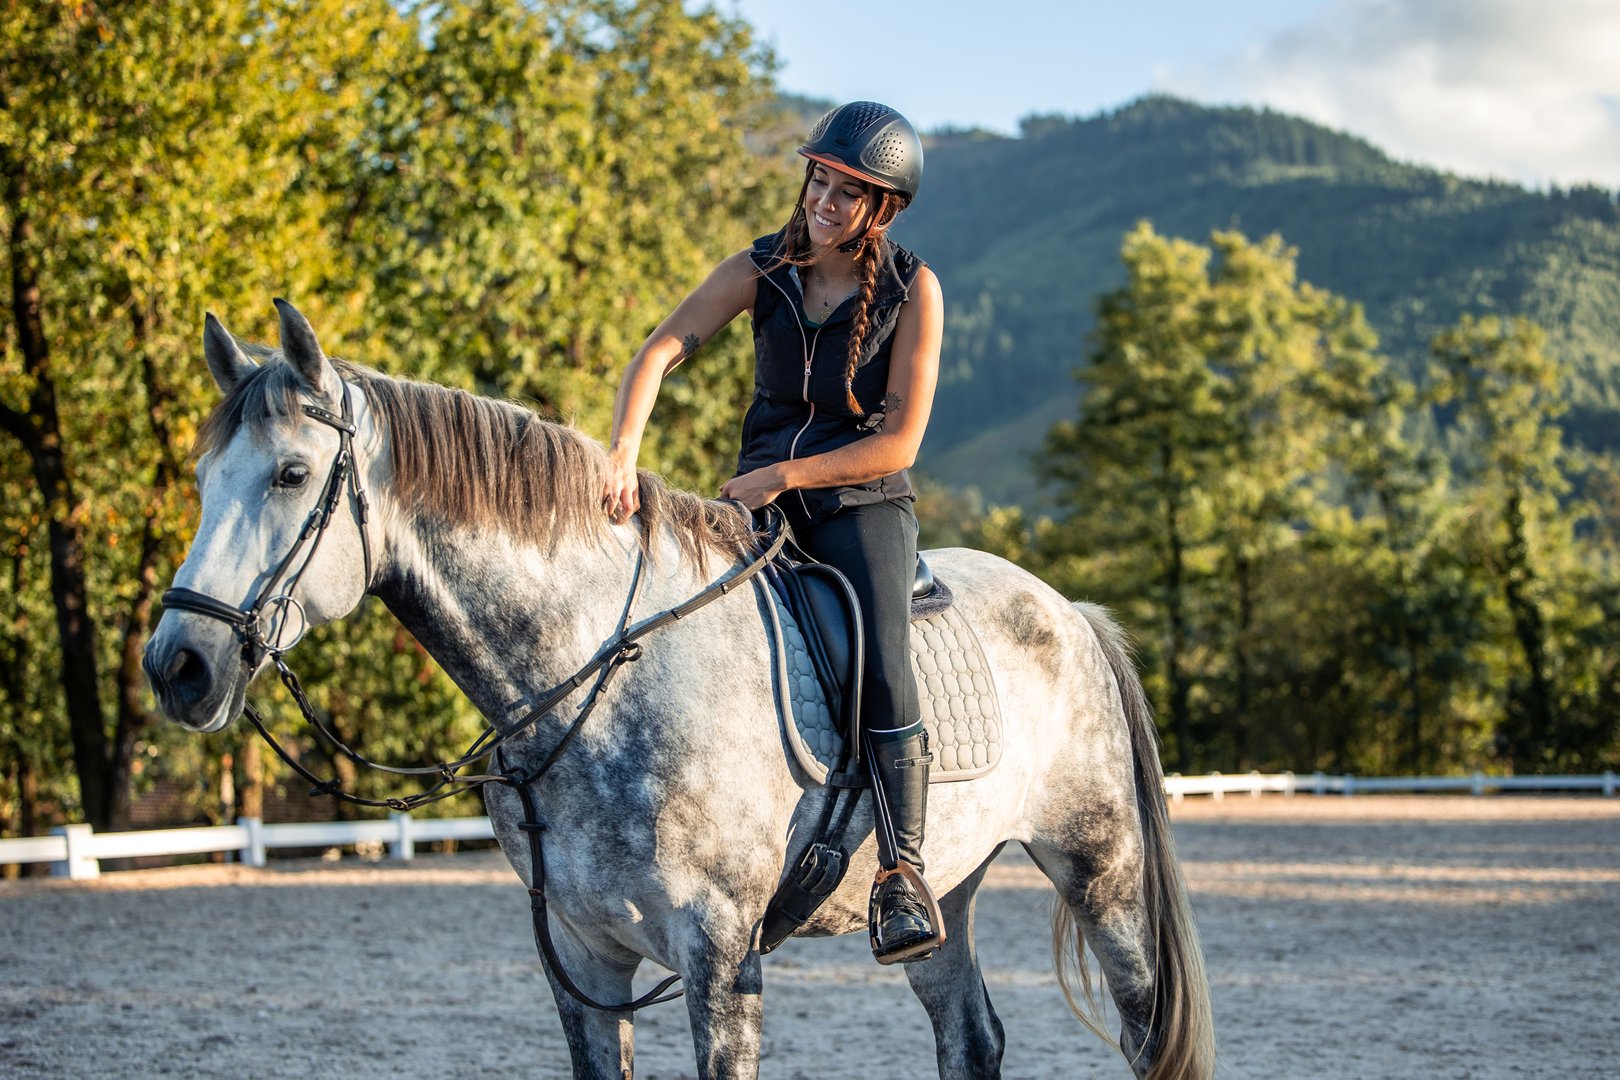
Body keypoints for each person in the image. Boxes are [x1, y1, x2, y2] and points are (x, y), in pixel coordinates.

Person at [603, 102, 945, 964]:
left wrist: (787, 475)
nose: (824, 200)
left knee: (884, 655)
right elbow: (661, 350)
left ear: (884, 209)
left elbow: (899, 441)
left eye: (848, 191)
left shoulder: (916, 288)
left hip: (861, 507)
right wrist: (621, 451)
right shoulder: (762, 268)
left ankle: (902, 871)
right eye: (819, 179)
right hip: (756, 505)